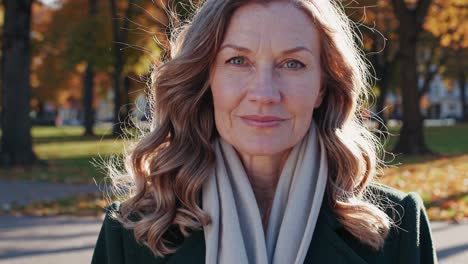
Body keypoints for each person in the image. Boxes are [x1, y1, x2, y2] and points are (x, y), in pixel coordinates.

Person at [92, 0, 437, 263]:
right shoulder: (130, 233)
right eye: (237, 61)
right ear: (206, 78)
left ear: (323, 87)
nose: (264, 94)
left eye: (293, 64)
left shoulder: (399, 228)